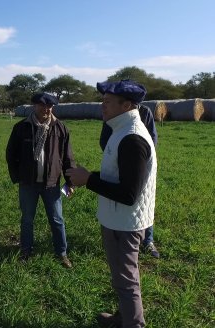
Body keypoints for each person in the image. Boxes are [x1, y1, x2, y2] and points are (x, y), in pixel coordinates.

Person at [66, 80, 157, 327]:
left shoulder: (132, 138)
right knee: (121, 276)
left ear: (126, 105)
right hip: (118, 219)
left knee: (126, 280)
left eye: (107, 102)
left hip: (125, 223)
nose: (101, 106)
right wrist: (90, 176)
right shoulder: (121, 130)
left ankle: (133, 324)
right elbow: (120, 176)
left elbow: (129, 194)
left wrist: (89, 180)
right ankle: (123, 317)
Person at [6, 92, 76, 268]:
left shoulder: (60, 128)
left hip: (51, 184)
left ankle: (62, 253)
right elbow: (10, 155)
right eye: (42, 106)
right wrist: (18, 177)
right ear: (34, 106)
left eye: (49, 106)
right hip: (28, 184)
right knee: (27, 219)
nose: (46, 109)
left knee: (57, 219)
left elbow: (68, 158)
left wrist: (70, 181)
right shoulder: (21, 127)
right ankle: (26, 250)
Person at [100, 103, 160, 259]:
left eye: (108, 100)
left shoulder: (143, 114)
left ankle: (148, 240)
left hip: (137, 158)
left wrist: (139, 158)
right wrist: (114, 153)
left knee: (140, 202)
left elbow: (152, 136)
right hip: (119, 156)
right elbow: (104, 139)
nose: (103, 105)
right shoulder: (113, 115)